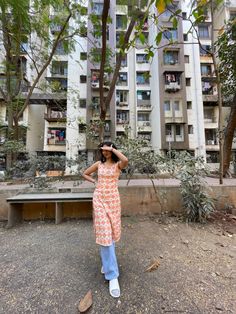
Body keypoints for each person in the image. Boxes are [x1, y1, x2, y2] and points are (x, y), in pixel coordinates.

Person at [82, 142, 128, 298]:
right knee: (105, 234)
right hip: (99, 200)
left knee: (112, 234)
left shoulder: (117, 165)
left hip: (113, 201)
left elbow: (126, 160)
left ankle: (107, 263)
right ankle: (112, 276)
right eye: (103, 149)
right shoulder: (98, 164)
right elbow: (85, 173)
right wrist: (94, 182)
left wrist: (113, 148)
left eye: (108, 150)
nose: (105, 152)